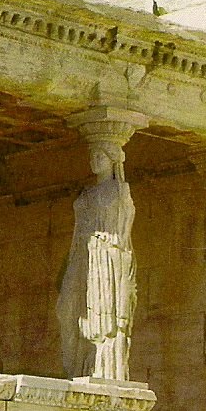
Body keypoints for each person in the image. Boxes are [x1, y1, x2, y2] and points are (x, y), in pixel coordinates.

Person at [56, 141, 137, 381]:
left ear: (113, 160)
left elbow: (123, 231)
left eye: (100, 156)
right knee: (66, 309)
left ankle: (104, 369)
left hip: (106, 256)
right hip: (82, 254)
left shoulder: (119, 191)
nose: (94, 161)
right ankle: (76, 365)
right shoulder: (86, 194)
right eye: (92, 156)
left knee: (102, 314)